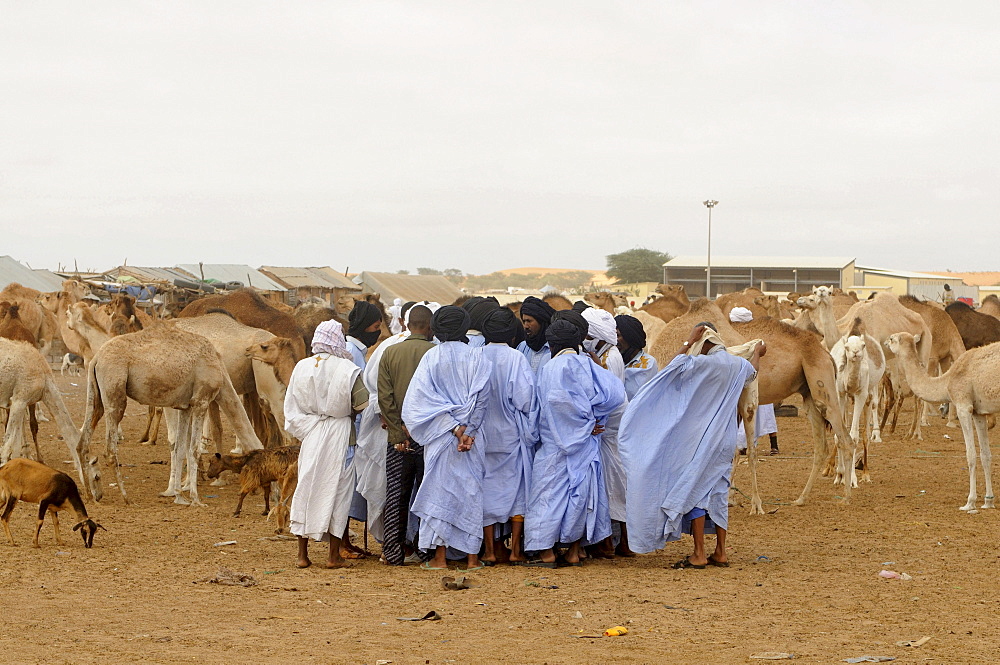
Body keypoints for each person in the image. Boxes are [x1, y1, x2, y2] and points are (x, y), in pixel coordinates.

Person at [619, 323, 763, 569]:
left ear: (704, 341)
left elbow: (670, 369)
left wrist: (687, 342)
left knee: (695, 491)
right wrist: (758, 353)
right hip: (726, 439)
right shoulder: (737, 365)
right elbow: (754, 372)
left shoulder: (699, 364)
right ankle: (720, 551)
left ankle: (699, 553)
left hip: (700, 439)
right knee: (717, 491)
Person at [524, 316, 626, 567]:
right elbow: (615, 394)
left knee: (548, 498)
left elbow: (559, 405)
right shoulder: (586, 363)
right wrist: (593, 419)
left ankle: (546, 551)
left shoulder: (553, 367)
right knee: (581, 497)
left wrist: (585, 425)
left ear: (553, 344)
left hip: (557, 446)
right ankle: (575, 550)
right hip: (586, 444)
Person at [404, 306, 492, 571]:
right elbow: (482, 400)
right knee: (471, 492)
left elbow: (418, 402)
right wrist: (468, 431)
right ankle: (472, 559)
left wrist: (454, 429)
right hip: (471, 439)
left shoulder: (432, 358)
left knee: (440, 493)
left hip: (440, 436)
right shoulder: (479, 358)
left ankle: (439, 558)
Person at [285, 320, 370, 569]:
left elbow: (291, 408)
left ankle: (303, 555)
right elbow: (361, 404)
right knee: (339, 492)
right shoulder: (347, 368)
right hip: (341, 435)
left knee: (307, 487)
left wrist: (311, 424)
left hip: (312, 435)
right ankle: (333, 556)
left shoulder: (301, 367)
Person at [477, 307, 538, 565]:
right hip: (510, 436)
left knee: (485, 492)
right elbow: (525, 399)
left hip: (480, 435)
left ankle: (489, 551)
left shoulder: (476, 355)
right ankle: (515, 552)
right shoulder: (516, 359)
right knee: (517, 493)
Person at [377, 305, 437, 565]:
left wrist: (396, 428)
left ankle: (392, 552)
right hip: (429, 438)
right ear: (429, 326)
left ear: (407, 324)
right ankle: (426, 551)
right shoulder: (435, 353)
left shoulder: (390, 352)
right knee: (427, 493)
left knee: (396, 494)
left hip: (397, 439)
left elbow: (385, 397)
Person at [354, 301, 417, 545]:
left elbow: (375, 386)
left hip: (387, 425)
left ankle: (392, 545)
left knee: (390, 487)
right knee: (397, 487)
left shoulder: (388, 345)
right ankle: (402, 544)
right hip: (396, 428)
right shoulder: (427, 347)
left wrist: (387, 418)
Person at [581, 307, 630, 558]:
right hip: (610, 429)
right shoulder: (605, 352)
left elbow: (607, 391)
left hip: (610, 430)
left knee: (613, 488)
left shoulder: (609, 357)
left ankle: (615, 543)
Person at [729, 307, 779, 454]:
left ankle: (768, 445)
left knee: (754, 410)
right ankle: (767, 445)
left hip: (753, 376)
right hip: (752, 375)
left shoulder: (746, 338)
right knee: (761, 411)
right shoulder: (756, 337)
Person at [615, 314, 659, 401]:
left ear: (630, 338)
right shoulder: (616, 359)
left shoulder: (647, 363)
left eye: (618, 336)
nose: (615, 340)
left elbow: (630, 395)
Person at [517, 296, 556, 374]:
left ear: (541, 321)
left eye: (529, 321)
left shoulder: (554, 348)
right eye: (524, 321)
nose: (526, 326)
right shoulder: (522, 347)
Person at [346, 300, 383, 367]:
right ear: (364, 326)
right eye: (376, 327)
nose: (378, 330)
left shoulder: (357, 350)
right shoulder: (352, 351)